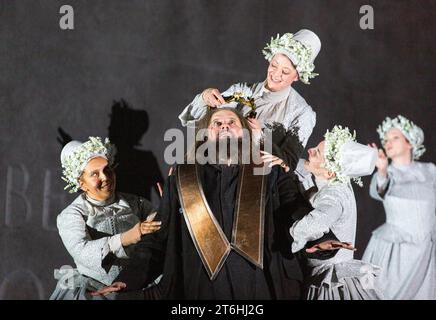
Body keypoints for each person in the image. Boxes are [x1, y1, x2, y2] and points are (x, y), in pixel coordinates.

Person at [93, 108, 354, 300]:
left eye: (232, 122)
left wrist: (317, 241)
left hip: (260, 288)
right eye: (217, 122)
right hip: (198, 291)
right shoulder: (182, 180)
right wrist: (128, 281)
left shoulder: (272, 173)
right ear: (206, 135)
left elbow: (296, 211)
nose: (225, 125)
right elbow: (157, 241)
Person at [178, 29, 321, 168]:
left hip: (259, 183)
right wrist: (205, 98)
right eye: (274, 65)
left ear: (297, 76)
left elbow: (288, 163)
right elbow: (201, 118)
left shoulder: (302, 113)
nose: (276, 74)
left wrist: (261, 138)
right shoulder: (242, 91)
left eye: (285, 71)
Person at [50, 137, 162, 300]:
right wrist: (125, 238)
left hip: (139, 287)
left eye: (107, 169)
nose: (105, 177)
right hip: (98, 292)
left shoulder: (135, 203)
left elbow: (158, 226)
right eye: (95, 174)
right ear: (81, 183)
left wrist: (167, 207)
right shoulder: (72, 215)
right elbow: (82, 251)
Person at [289, 126, 383, 300]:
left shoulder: (334, 194)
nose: (310, 150)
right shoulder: (336, 184)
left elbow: (313, 224)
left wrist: (290, 235)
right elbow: (301, 166)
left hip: (332, 283)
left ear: (331, 172)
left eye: (316, 152)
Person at [362, 115, 435, 300]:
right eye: (385, 140)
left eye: (395, 137)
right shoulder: (387, 172)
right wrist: (382, 170)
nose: (388, 142)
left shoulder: (430, 170)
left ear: (409, 142)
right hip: (397, 252)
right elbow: (379, 189)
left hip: (426, 250)